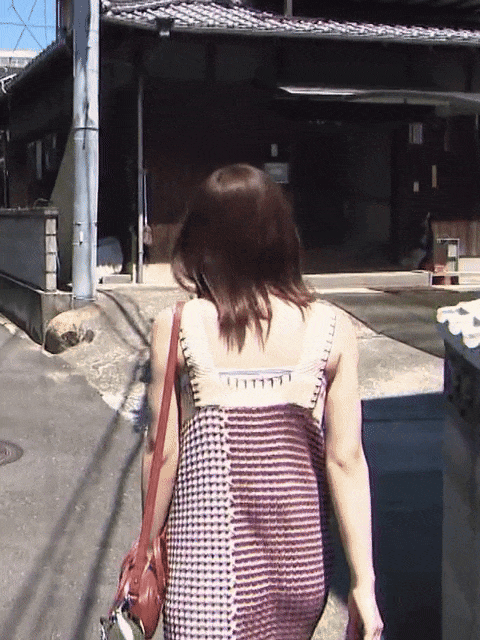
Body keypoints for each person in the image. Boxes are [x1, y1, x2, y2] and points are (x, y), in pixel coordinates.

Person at [143, 164, 384, 640]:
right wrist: (364, 583)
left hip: (205, 575)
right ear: (282, 236)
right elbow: (346, 461)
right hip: (300, 571)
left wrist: (148, 548)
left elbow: (161, 452)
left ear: (201, 240)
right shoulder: (332, 328)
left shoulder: (176, 326)